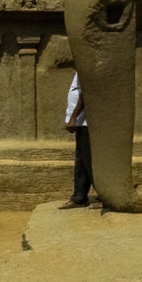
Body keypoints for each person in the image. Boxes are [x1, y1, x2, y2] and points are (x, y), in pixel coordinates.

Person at [60, 68, 101, 208]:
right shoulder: (81, 67)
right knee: (82, 162)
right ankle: (79, 197)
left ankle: (105, 197)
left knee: (90, 162)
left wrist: (73, 118)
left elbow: (86, 93)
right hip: (82, 124)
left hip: (86, 123)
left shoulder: (87, 65)